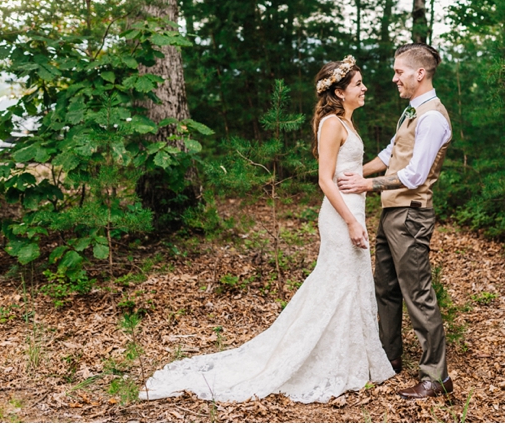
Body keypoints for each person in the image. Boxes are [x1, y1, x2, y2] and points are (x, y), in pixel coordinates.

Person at [142, 57, 395, 404]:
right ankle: (312, 358)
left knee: (349, 285)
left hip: (352, 209)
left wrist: (365, 182)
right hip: (341, 217)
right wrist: (351, 221)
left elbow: (345, 170)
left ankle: (350, 360)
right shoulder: (332, 124)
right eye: (358, 84)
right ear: (339, 91)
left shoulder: (347, 124)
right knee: (335, 284)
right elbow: (324, 179)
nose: (364, 88)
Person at [338, 43, 453, 400]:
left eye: (399, 72)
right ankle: (389, 359)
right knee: (385, 289)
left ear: (420, 73)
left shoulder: (432, 116)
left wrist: (365, 185)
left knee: (417, 293)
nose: (394, 78)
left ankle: (436, 376)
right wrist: (350, 171)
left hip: (412, 214)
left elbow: (415, 174)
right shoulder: (411, 112)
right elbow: (390, 154)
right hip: (393, 212)